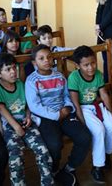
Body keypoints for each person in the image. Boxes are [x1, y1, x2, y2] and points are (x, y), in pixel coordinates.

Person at [25, 45, 91, 186]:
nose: (46, 61)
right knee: (54, 145)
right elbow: (34, 105)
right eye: (41, 58)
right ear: (34, 63)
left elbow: (67, 96)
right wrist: (56, 115)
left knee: (84, 137)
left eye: (49, 57)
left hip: (64, 112)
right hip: (46, 117)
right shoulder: (31, 80)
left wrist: (67, 107)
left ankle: (69, 168)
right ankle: (54, 170)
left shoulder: (59, 76)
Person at [0, 53, 54, 186]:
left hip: (25, 122)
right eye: (8, 69)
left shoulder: (20, 83)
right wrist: (16, 127)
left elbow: (27, 105)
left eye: (14, 68)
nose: (13, 72)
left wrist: (28, 116)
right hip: (9, 125)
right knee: (15, 156)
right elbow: (1, 108)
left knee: (43, 151)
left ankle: (48, 182)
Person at [68, 46, 112, 183]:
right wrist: (82, 123)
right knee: (98, 130)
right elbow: (76, 103)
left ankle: (106, 155)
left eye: (93, 63)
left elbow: (104, 95)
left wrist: (111, 114)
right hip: (83, 108)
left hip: (96, 105)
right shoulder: (74, 78)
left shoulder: (98, 74)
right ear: (77, 65)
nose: (91, 68)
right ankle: (97, 167)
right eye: (86, 65)